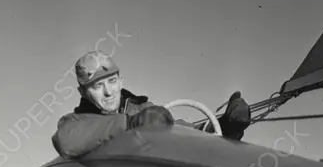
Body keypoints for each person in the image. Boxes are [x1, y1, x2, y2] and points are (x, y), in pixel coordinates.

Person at [51, 50, 251, 159]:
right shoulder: (76, 122)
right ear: (83, 92)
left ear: (121, 81)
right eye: (97, 85)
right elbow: (67, 141)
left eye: (112, 82)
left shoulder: (144, 110)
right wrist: (130, 124)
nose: (108, 92)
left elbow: (182, 130)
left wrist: (226, 126)